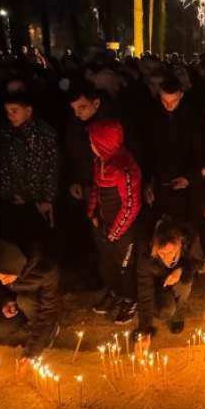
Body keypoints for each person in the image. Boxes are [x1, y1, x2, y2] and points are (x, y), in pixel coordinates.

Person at [86, 119, 142, 324]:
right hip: (104, 223)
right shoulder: (100, 162)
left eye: (93, 141)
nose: (90, 145)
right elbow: (96, 188)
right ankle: (115, 292)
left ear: (104, 143)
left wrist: (116, 231)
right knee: (107, 262)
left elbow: (131, 205)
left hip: (123, 229)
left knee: (125, 265)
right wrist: (92, 212)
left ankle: (130, 299)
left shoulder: (123, 168)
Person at [0, 238, 60, 364]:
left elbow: (49, 310)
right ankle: (30, 323)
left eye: (6, 277)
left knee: (25, 301)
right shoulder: (3, 270)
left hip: (36, 302)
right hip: (18, 303)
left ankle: (46, 329)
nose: (4, 282)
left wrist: (30, 354)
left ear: (15, 266)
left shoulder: (46, 270)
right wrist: (6, 301)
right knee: (0, 329)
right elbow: (0, 290)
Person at [0, 90, 59, 242]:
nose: (10, 115)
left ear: (28, 111)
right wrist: (9, 193)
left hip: (38, 199)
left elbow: (52, 168)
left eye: (14, 111)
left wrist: (48, 198)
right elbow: (5, 165)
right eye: (7, 112)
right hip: (17, 198)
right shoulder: (7, 133)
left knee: (39, 237)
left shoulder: (45, 134)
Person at [140, 77, 202, 223]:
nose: (168, 105)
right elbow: (147, 149)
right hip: (159, 181)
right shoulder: (151, 114)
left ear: (181, 95)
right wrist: (147, 180)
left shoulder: (192, 116)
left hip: (183, 181)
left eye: (173, 101)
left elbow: (199, 151)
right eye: (164, 101)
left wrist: (190, 177)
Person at [136, 216, 201, 347]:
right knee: (164, 311)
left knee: (185, 284)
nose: (167, 257)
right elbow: (144, 290)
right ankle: (168, 306)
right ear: (155, 248)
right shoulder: (146, 252)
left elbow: (199, 262)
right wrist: (145, 329)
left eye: (171, 252)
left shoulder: (189, 238)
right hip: (158, 283)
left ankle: (178, 312)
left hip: (180, 277)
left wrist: (181, 270)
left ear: (179, 243)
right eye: (162, 253)